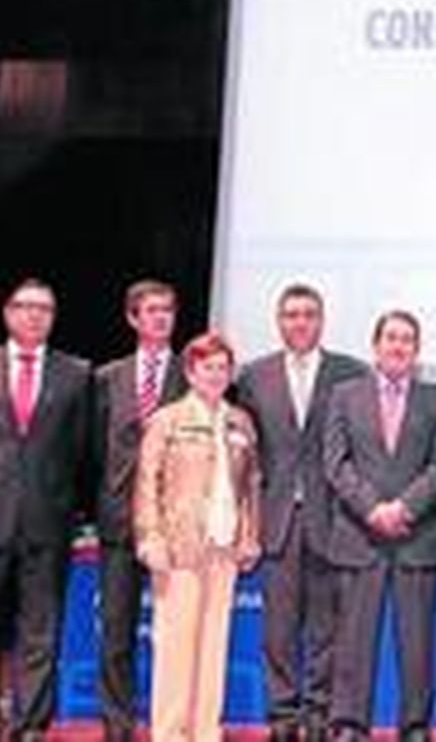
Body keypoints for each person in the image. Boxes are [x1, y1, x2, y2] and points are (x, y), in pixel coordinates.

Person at [0, 278, 91, 741]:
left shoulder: (76, 373)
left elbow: (80, 448)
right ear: (8, 314)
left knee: (39, 630)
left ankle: (31, 722)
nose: (34, 316)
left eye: (44, 309)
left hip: (47, 518)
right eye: (26, 307)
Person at [235, 283, 367, 742]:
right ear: (279, 321)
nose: (300, 322)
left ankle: (319, 713)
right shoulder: (253, 377)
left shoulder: (350, 374)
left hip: (331, 520)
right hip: (276, 523)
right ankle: (282, 716)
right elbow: (246, 457)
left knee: (327, 628)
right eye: (291, 315)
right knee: (278, 630)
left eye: (309, 314)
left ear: (322, 320)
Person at [324, 310, 436, 742]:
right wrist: (373, 509)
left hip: (417, 537)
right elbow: (336, 463)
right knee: (353, 643)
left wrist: (403, 508)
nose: (398, 346)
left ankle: (415, 726)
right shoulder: (344, 395)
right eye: (391, 338)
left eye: (407, 340)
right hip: (359, 536)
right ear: (375, 346)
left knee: (417, 645)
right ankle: (348, 724)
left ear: (416, 351)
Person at [134, 330, 263, 742]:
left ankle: (207, 730)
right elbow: (146, 482)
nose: (217, 375)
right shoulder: (168, 420)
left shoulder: (240, 421)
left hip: (223, 549)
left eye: (223, 368)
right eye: (208, 367)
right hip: (179, 548)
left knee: (213, 645)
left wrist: (250, 536)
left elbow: (251, 486)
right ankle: (170, 733)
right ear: (190, 372)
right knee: (175, 647)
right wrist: (150, 536)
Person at [92, 279, 188, 741]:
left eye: (167, 310)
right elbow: (93, 451)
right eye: (151, 311)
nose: (161, 318)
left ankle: (173, 722)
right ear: (133, 317)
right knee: (117, 631)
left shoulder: (193, 376)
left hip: (177, 525)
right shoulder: (107, 378)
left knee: (176, 633)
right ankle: (118, 723)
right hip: (119, 523)